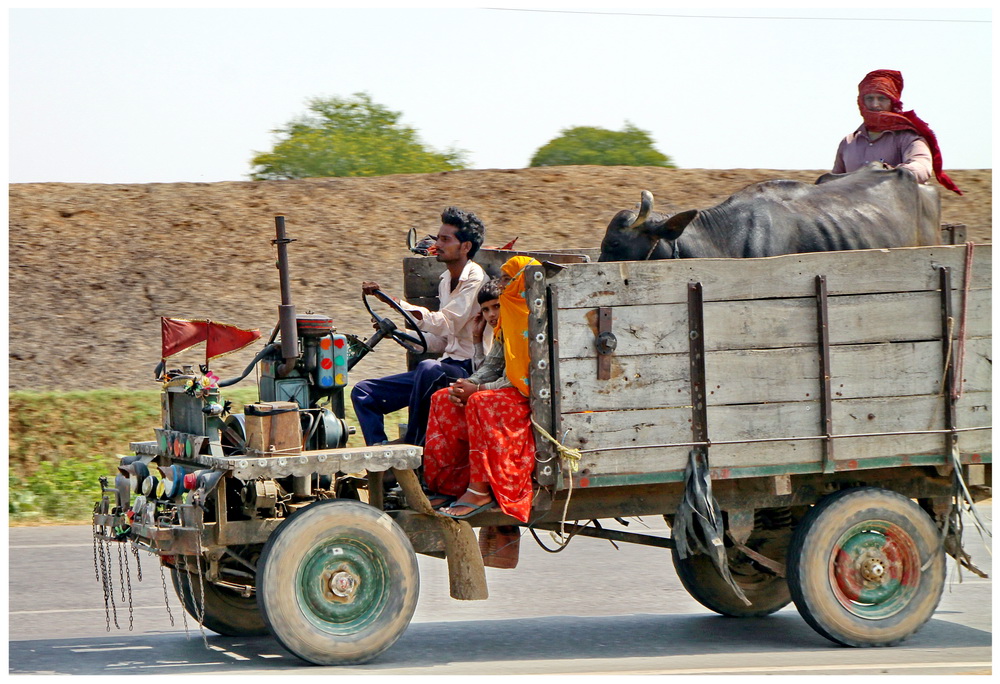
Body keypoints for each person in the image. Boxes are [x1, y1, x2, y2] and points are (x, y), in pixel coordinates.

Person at [350, 207, 486, 446]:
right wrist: (400, 334)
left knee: (428, 368)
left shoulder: (475, 279)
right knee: (363, 392)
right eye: (439, 238)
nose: (439, 244)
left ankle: (411, 450)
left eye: (446, 239)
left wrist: (394, 303)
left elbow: (445, 323)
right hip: (445, 368)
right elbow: (443, 341)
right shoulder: (446, 281)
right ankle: (382, 458)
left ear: (465, 247)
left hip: (470, 371)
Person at [421, 256, 541, 523]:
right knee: (443, 398)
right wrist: (470, 384)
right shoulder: (508, 319)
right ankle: (449, 486)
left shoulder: (535, 318)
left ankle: (480, 490)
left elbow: (523, 378)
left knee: (480, 402)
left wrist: (478, 391)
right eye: (504, 280)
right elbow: (495, 363)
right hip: (505, 391)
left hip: (528, 398)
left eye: (510, 281)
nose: (504, 285)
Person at [832, 69, 962, 195]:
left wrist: (892, 174)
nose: (875, 104)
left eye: (882, 98)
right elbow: (834, 183)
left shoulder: (908, 137)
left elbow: (921, 166)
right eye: (870, 98)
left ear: (892, 102)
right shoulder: (848, 142)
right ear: (861, 102)